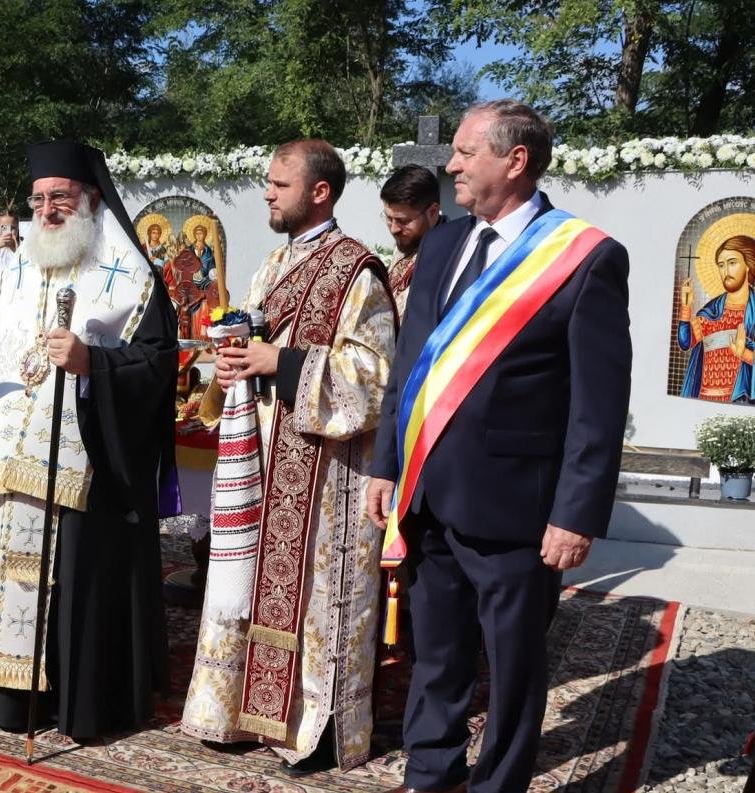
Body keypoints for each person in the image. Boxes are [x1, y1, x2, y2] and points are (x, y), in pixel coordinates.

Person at [365, 100, 630, 793]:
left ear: (515, 161)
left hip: (517, 510)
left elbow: (599, 405)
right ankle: (430, 772)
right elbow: (409, 366)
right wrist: (386, 464)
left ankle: (499, 783)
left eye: (465, 152)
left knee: (512, 668)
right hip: (428, 495)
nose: (450, 164)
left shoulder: (583, 256)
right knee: (435, 653)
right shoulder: (442, 243)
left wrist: (575, 513)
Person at [180, 140, 396, 774]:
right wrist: (231, 367)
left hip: (329, 473)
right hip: (265, 453)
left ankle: (318, 730)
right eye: (269, 183)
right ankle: (245, 713)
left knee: (321, 600)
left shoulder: (358, 272)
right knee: (252, 586)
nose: (267, 193)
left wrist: (284, 362)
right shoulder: (273, 264)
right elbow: (252, 351)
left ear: (319, 192)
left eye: (280, 184)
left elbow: (376, 378)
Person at [0, 139, 177, 740]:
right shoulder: (19, 267)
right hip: (11, 451)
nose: (47, 210)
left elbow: (157, 363)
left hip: (86, 457)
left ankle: (78, 700)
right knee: (5, 570)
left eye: (60, 197)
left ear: (92, 199)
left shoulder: (130, 274)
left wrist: (91, 364)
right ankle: (6, 698)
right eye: (38, 200)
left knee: (74, 577)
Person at [677, 235, 754, 402]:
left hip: (741, 402)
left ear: (748, 265)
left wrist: (744, 354)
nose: (726, 271)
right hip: (705, 400)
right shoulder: (712, 310)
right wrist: (686, 307)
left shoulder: (752, 312)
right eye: (721, 265)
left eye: (732, 263)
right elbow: (685, 342)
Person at [379, 164, 442, 320]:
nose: (394, 229)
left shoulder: (446, 257)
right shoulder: (409, 240)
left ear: (433, 212)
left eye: (403, 221)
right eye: (388, 218)